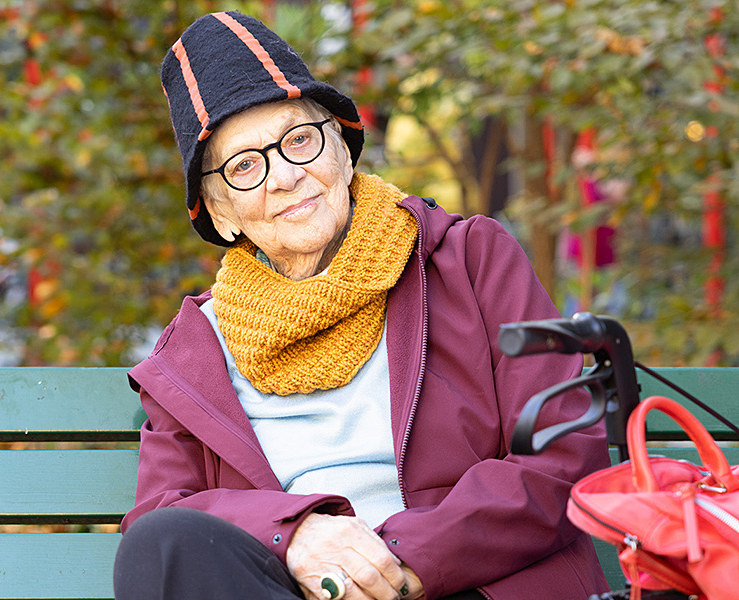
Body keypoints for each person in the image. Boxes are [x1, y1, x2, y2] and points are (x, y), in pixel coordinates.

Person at [113, 11, 610, 600]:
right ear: (219, 214)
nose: (284, 176)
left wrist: (394, 565)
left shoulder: (470, 261)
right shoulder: (195, 350)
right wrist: (293, 535)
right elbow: (161, 517)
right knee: (161, 542)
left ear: (344, 153)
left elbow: (559, 453)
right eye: (244, 165)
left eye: (299, 140)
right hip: (290, 590)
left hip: (465, 583)